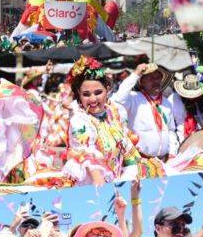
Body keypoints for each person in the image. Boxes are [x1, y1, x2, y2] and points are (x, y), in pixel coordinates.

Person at [65, 56, 156, 185]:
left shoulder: (113, 111)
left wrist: (137, 170)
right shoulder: (79, 122)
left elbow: (125, 146)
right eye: (86, 94)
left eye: (98, 92)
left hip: (118, 179)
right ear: (79, 95)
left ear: (107, 90)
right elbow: (89, 162)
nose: (93, 99)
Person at [111, 62, 179, 160]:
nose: (155, 81)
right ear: (142, 82)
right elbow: (119, 99)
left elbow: (171, 131)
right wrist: (136, 74)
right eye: (150, 78)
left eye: (157, 78)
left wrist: (172, 153)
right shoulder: (134, 98)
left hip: (165, 160)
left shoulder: (167, 103)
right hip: (140, 160)